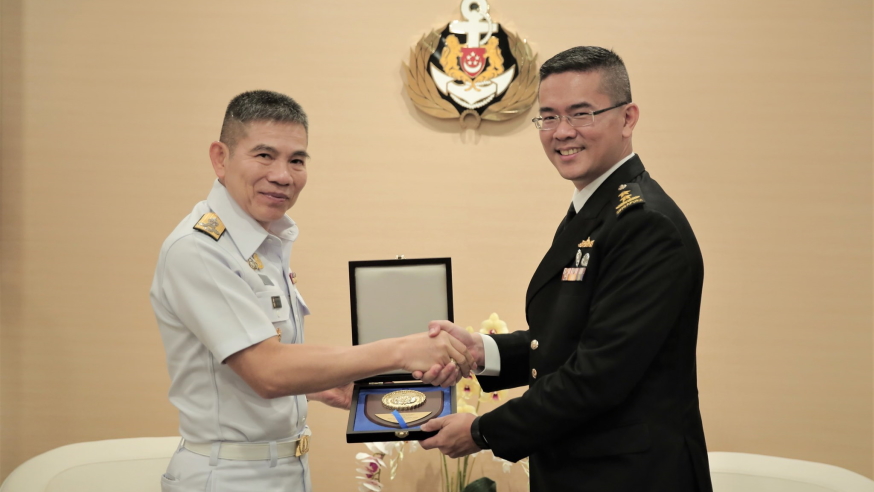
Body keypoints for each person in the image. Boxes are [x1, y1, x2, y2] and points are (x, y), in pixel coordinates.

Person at [418, 47, 713, 491]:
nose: (563, 132)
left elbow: (597, 376)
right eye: (549, 117)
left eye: (582, 113)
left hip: (631, 478)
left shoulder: (645, 225)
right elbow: (568, 340)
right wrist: (483, 351)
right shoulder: (596, 209)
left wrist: (481, 432)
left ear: (628, 118)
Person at [150, 90, 473, 492]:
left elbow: (262, 355)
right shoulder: (200, 250)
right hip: (229, 477)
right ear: (221, 158)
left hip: (281, 468)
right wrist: (401, 350)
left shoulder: (260, 242)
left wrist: (321, 385)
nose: (283, 175)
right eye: (264, 155)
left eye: (296, 160)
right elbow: (267, 370)